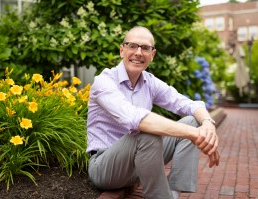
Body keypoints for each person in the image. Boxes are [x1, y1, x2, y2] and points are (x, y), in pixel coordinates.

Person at [86, 26, 220, 199]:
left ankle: (173, 195)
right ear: (122, 50)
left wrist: (208, 125)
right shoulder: (103, 82)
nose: (138, 52)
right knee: (146, 133)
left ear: (152, 55)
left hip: (137, 165)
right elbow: (136, 120)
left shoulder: (150, 82)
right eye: (132, 46)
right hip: (106, 169)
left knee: (193, 121)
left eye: (145, 48)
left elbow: (188, 104)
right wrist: (196, 135)